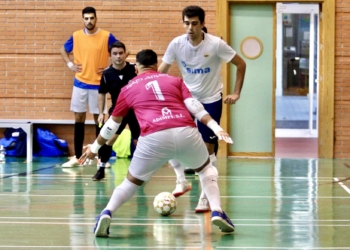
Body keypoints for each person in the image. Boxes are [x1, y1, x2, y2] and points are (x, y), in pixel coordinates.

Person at [79, 49, 235, 237]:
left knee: (130, 183)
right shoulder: (175, 81)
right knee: (206, 170)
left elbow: (111, 125)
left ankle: (107, 212)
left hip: (153, 137)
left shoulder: (127, 89)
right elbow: (195, 106)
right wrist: (216, 127)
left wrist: (94, 148)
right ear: (156, 64)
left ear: (136, 67)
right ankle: (217, 210)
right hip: (185, 131)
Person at [158, 5, 246, 212]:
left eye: (194, 23)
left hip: (211, 99)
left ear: (203, 24)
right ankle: (181, 181)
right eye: (187, 23)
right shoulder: (177, 44)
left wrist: (236, 93)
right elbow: (162, 71)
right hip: (186, 99)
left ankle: (206, 196)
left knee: (207, 150)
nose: (190, 28)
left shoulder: (216, 45)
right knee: (169, 136)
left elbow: (241, 65)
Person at [59, 6, 119, 167]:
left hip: (99, 84)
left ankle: (101, 158)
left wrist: (110, 67)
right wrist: (70, 64)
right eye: (86, 18)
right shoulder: (76, 36)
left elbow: (122, 51)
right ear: (82, 19)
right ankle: (78, 157)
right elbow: (63, 50)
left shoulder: (106, 36)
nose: (89, 21)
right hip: (80, 82)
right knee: (79, 118)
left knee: (98, 119)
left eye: (91, 18)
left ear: (96, 18)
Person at [92, 41, 140, 181]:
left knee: (138, 141)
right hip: (118, 111)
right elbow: (101, 93)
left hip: (135, 110)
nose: (118, 56)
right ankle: (101, 168)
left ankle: (137, 171)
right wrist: (101, 112)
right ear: (110, 56)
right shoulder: (107, 74)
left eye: (121, 53)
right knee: (108, 139)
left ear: (125, 54)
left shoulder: (134, 69)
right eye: (115, 54)